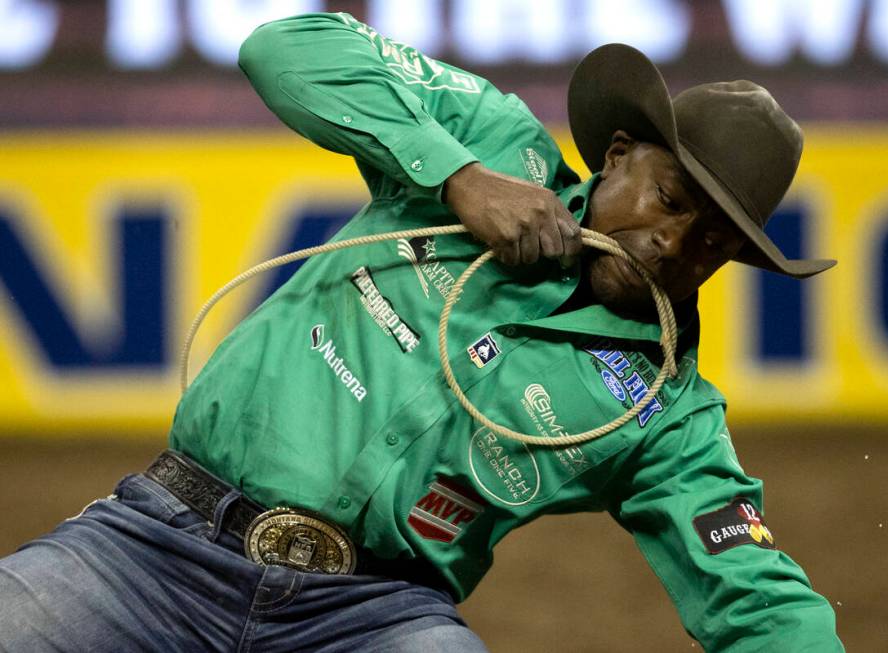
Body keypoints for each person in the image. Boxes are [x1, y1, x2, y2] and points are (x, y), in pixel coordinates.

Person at [0, 11, 844, 652]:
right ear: (616, 154)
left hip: (371, 615)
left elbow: (758, 596)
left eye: (711, 243)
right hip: (152, 546)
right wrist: (457, 177)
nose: (672, 242)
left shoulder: (667, 410)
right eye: (668, 198)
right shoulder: (490, 139)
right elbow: (284, 46)